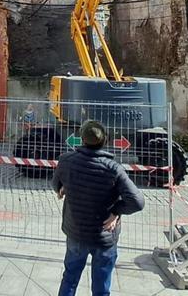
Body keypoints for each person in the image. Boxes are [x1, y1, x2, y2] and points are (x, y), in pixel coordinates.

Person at [52, 120, 145, 296]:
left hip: (76, 232)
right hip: (104, 236)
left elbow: (55, 184)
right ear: (105, 141)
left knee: (70, 279)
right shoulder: (113, 168)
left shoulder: (66, 160)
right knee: (101, 287)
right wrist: (116, 211)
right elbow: (137, 201)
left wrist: (63, 187)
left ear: (82, 139)